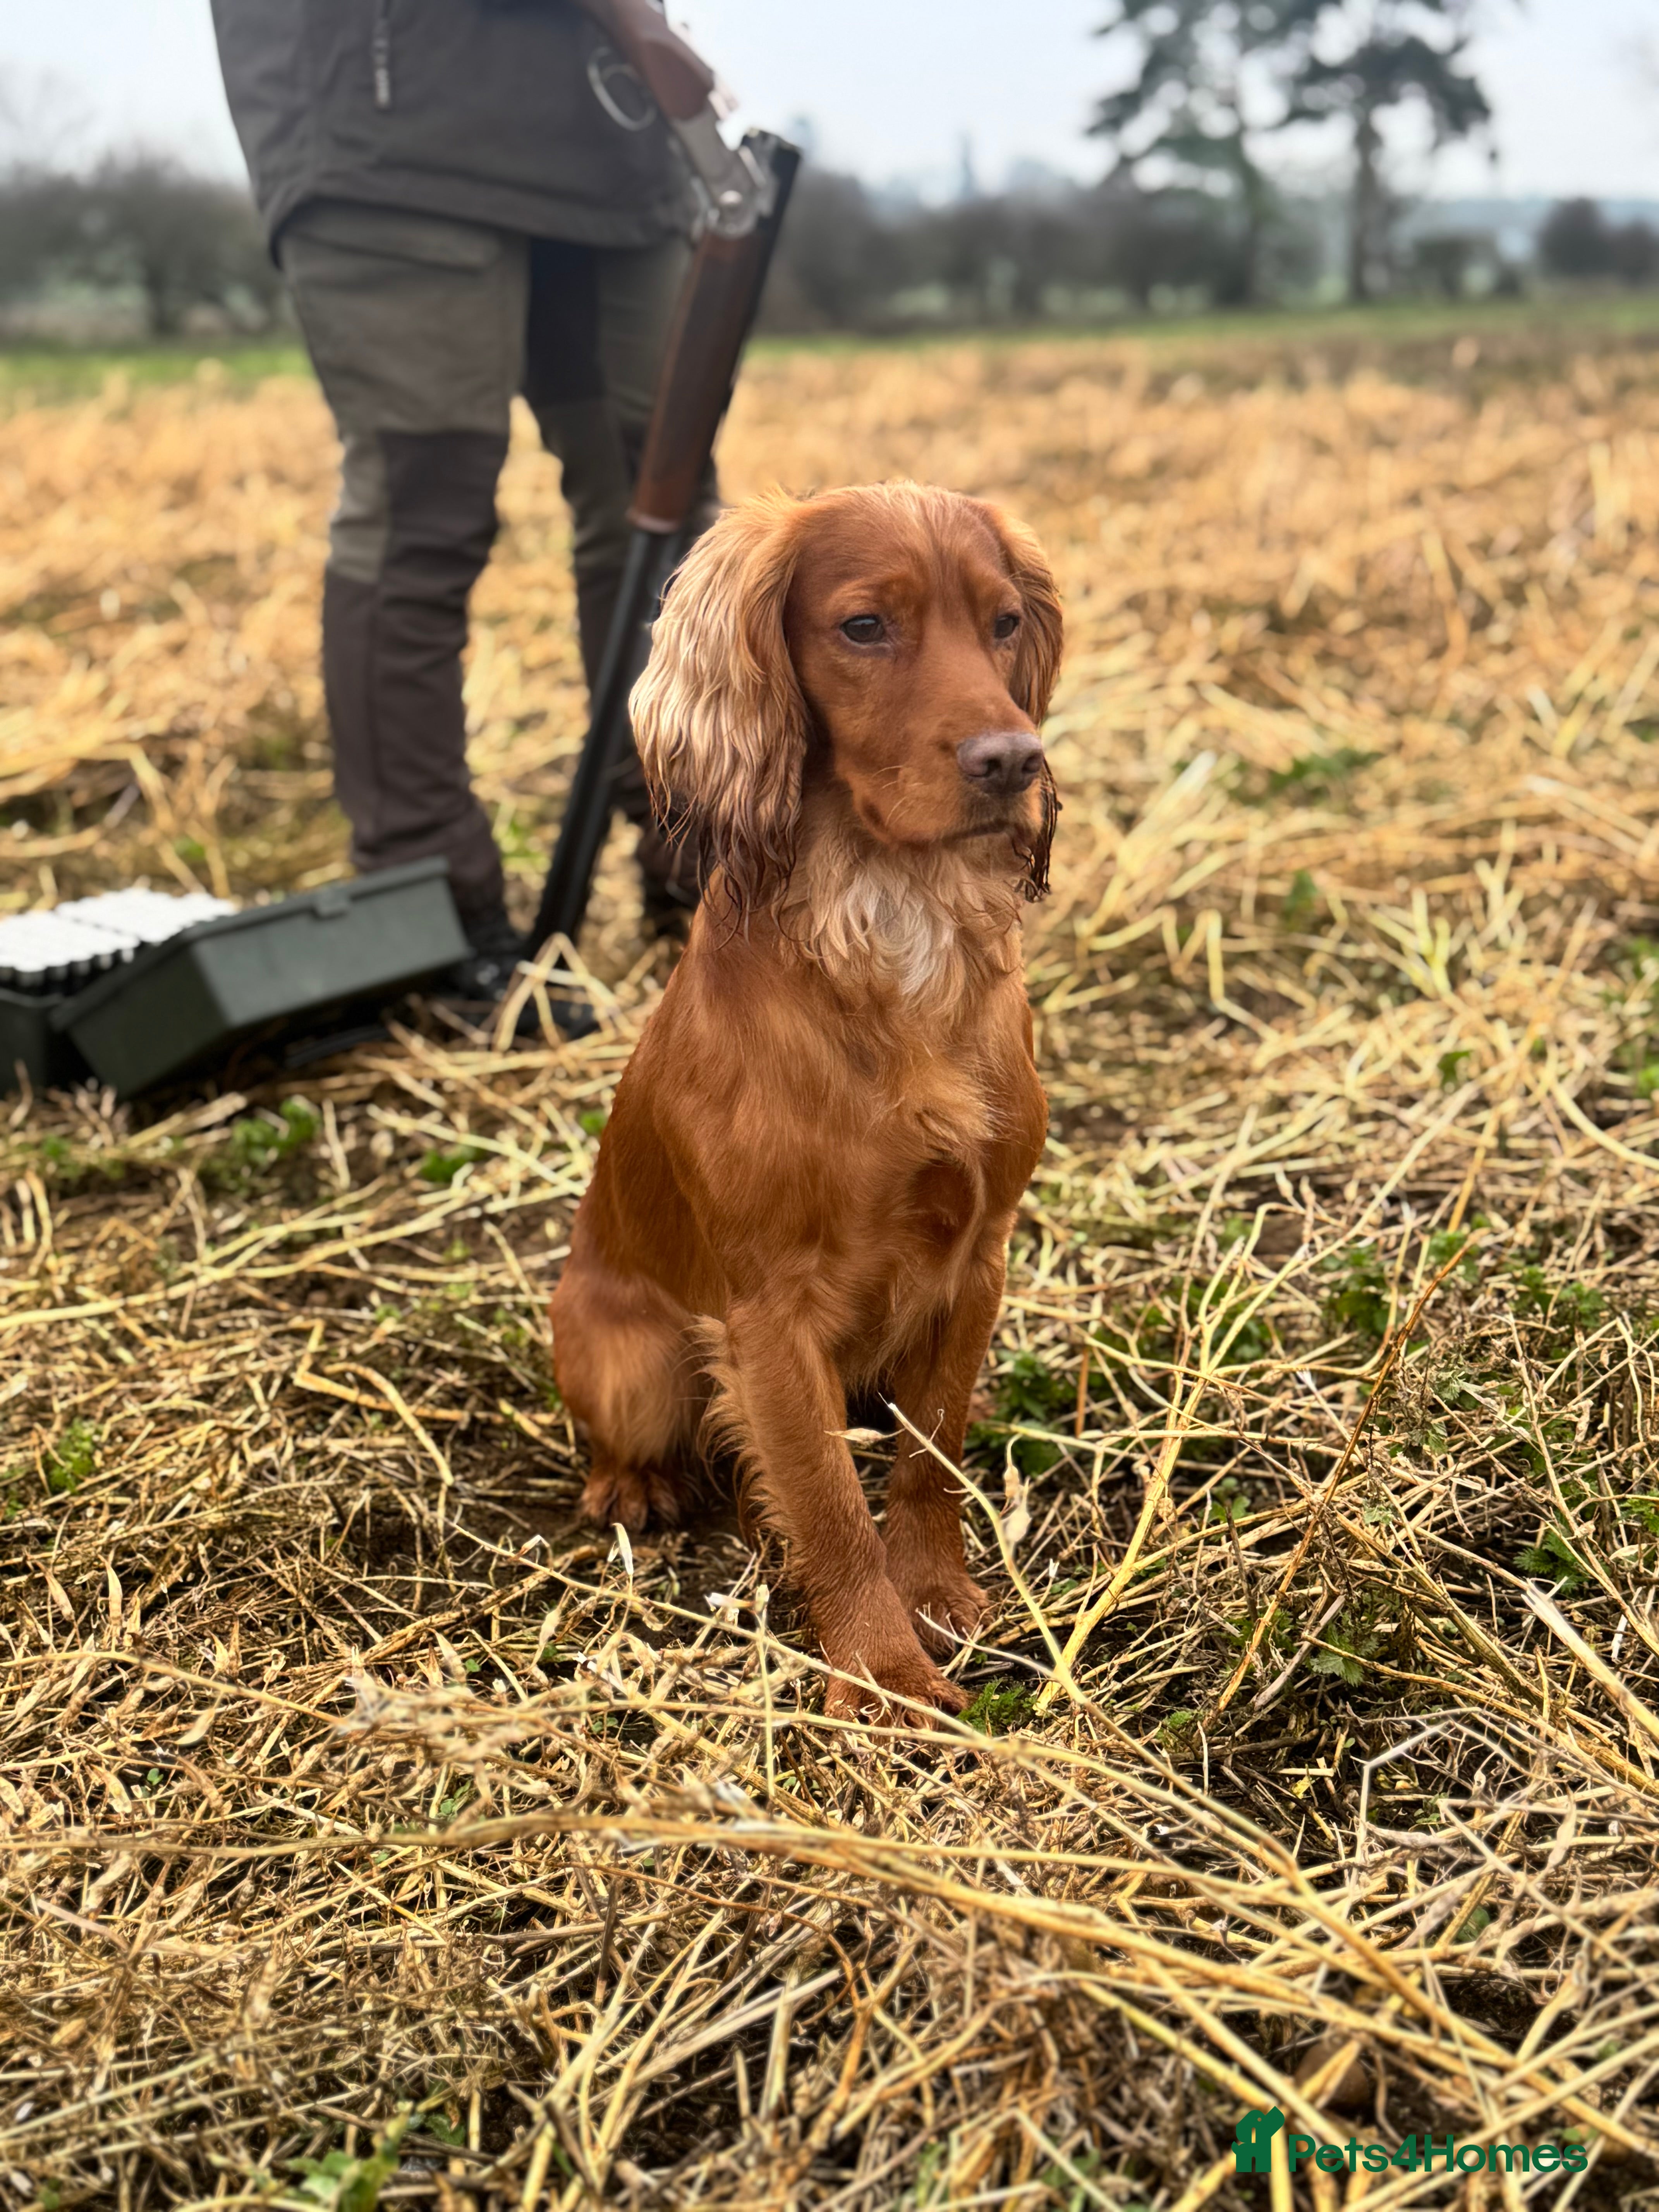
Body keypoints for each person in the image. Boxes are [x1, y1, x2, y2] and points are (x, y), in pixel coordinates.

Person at [210, 0, 716, 998]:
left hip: (610, 126)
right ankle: (427, 911)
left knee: (662, 494)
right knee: (424, 497)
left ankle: (706, 861)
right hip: (388, 113)